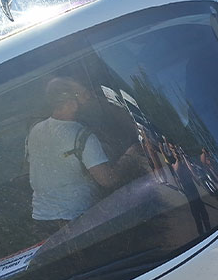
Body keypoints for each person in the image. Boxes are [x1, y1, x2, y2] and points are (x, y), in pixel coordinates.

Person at [26, 77, 141, 231]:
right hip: (77, 223)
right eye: (85, 95)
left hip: (42, 220)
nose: (91, 97)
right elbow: (108, 179)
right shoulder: (82, 136)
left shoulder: (35, 130)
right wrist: (130, 156)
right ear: (70, 104)